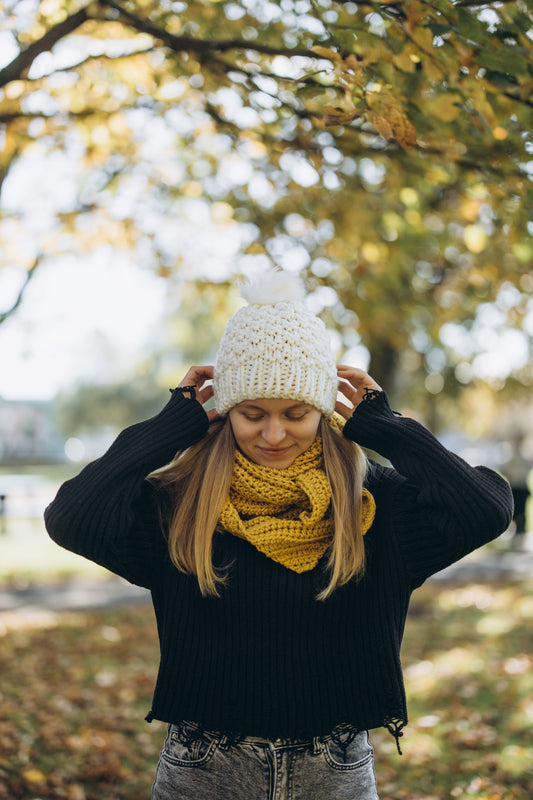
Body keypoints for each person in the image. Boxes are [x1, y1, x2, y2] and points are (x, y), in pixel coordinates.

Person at [45, 271, 513, 800]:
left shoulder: (376, 504)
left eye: (296, 413)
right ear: (223, 411)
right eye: (251, 413)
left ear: (325, 410)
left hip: (333, 772)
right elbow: (70, 516)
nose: (272, 434)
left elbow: (485, 510)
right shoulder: (183, 506)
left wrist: (387, 427)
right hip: (204, 770)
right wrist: (171, 425)